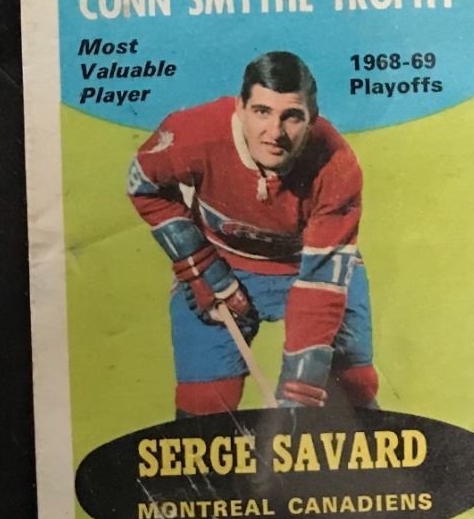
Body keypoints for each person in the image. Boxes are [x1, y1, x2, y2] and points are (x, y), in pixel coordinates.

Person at [126, 51, 378, 418]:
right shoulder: (192, 133)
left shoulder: (337, 164)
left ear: (312, 118)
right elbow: (142, 185)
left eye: (292, 117)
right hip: (222, 260)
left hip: (310, 267)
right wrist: (198, 264)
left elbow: (321, 284)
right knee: (203, 409)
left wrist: (299, 391)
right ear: (240, 107)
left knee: (354, 387)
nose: (274, 133)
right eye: (262, 112)